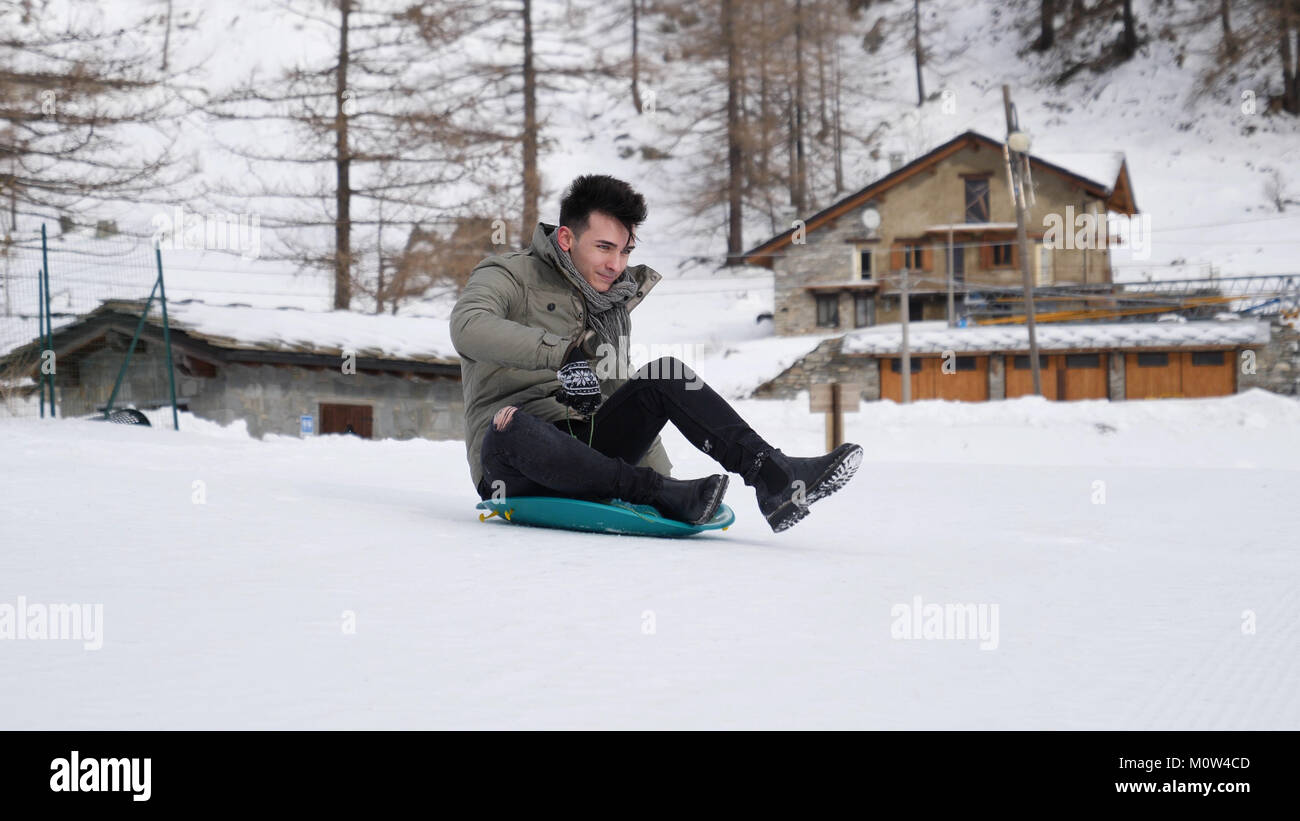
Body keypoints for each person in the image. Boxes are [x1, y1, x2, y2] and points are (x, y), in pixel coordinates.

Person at [450, 174, 862, 533]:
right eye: (604, 247)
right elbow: (467, 326)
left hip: (587, 449)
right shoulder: (507, 274)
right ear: (566, 238)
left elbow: (620, 393)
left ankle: (775, 477)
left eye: (626, 251)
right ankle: (656, 491)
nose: (616, 264)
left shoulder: (608, 307)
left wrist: (668, 482)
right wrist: (562, 355)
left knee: (664, 374)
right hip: (513, 460)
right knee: (512, 427)